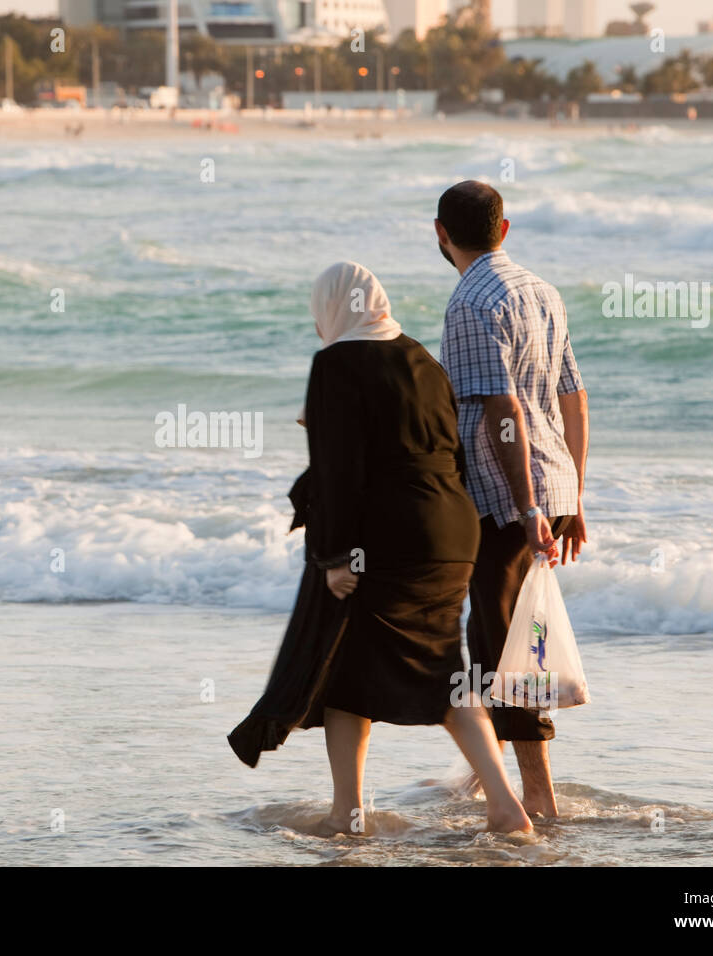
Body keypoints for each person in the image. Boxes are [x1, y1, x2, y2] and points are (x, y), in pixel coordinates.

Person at [228, 261, 533, 835]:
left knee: (364, 669)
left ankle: (356, 814)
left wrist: (335, 557)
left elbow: (338, 472)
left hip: (388, 536)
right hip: (450, 529)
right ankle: (495, 805)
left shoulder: (335, 363)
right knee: (431, 670)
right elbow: (440, 447)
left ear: (333, 306)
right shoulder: (424, 360)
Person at [434, 181, 590, 819]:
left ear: (440, 234)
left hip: (505, 495)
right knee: (515, 633)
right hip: (550, 481)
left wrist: (526, 511)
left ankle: (537, 794)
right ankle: (489, 774)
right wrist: (572, 495)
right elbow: (573, 397)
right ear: (504, 229)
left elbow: (502, 409)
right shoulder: (542, 291)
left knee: (504, 641)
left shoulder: (469, 302)